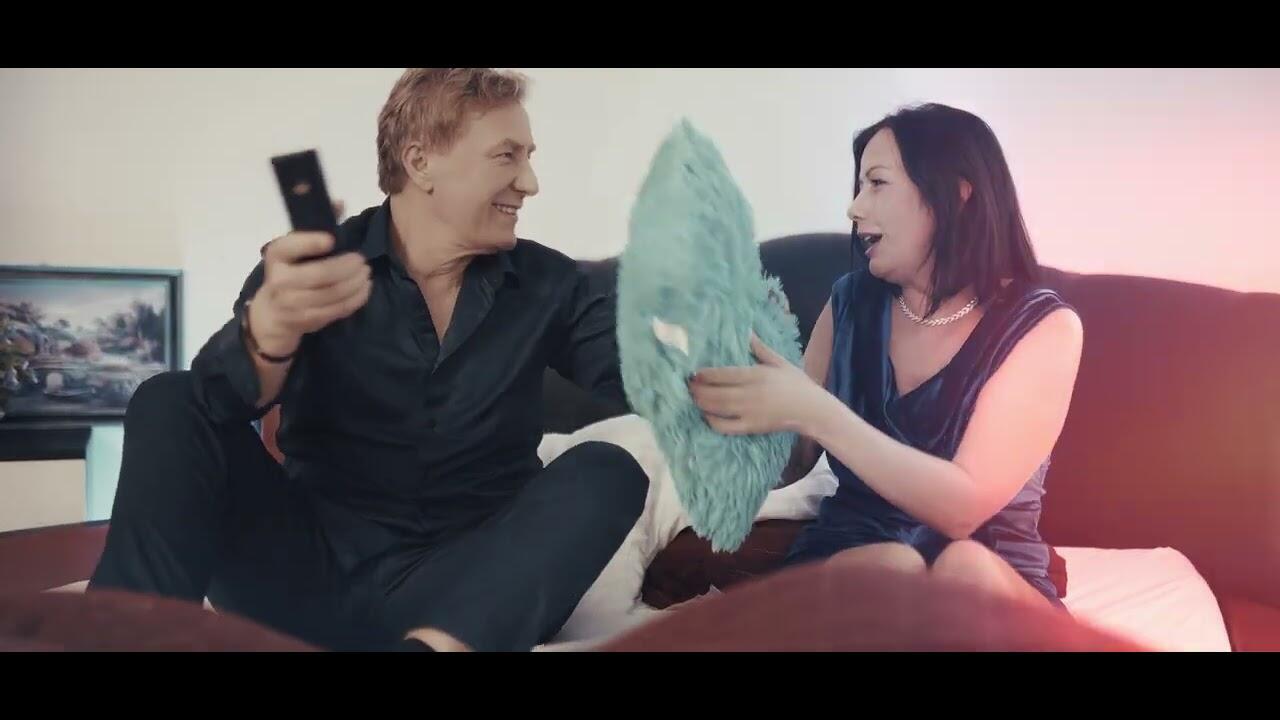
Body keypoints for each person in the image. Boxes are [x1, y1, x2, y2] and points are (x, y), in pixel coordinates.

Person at [89, 68, 648, 651]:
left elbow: (641, 376)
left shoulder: (553, 283)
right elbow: (217, 405)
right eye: (507, 156)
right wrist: (271, 334)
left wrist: (701, 371)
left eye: (528, 158)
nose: (529, 182)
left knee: (609, 468)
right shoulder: (310, 273)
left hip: (467, 596)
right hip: (302, 581)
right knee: (169, 397)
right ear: (420, 161)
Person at [689, 103, 1083, 608]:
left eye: (876, 183)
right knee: (888, 570)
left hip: (990, 575)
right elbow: (788, 465)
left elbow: (963, 509)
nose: (854, 209)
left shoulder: (1044, 327)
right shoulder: (850, 302)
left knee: (964, 570)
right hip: (855, 557)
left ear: (955, 195)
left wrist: (815, 409)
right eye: (859, 187)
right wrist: (735, 400)